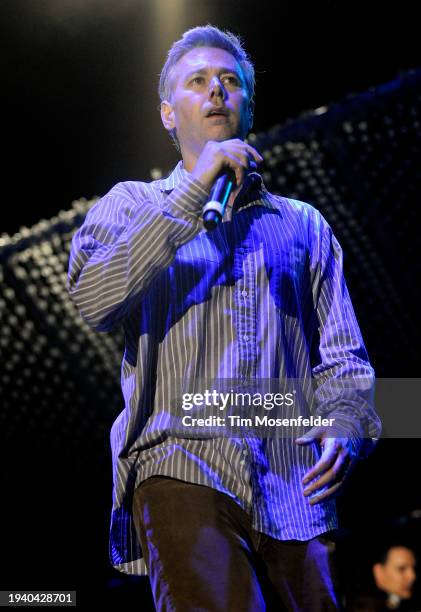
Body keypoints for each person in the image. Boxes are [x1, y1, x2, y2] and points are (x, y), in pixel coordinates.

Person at [68, 24, 382, 611]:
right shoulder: (131, 204)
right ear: (168, 114)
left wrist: (349, 426)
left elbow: (348, 361)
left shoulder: (303, 224)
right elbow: (94, 300)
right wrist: (193, 191)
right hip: (180, 463)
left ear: (248, 106)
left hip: (294, 488)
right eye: (198, 81)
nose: (216, 90)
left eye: (229, 81)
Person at [348, 544, 418, 611]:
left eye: (414, 568)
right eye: (401, 569)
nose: (412, 576)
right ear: (379, 572)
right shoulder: (364, 605)